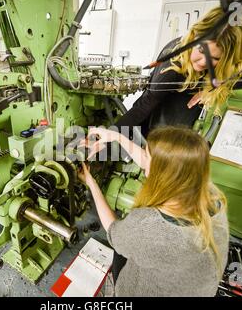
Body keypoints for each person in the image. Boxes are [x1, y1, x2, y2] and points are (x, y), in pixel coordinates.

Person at [78, 126, 229, 296]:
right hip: (197, 287)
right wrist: (115, 136)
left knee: (120, 250)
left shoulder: (150, 226)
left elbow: (113, 231)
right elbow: (153, 163)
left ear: (160, 172)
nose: (143, 161)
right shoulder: (210, 194)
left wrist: (91, 182)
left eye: (146, 156)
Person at [116, 6, 242, 137]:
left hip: (192, 106)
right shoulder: (172, 66)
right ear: (194, 37)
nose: (202, 63)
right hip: (164, 108)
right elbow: (144, 106)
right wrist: (112, 134)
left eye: (215, 58)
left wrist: (216, 85)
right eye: (201, 50)